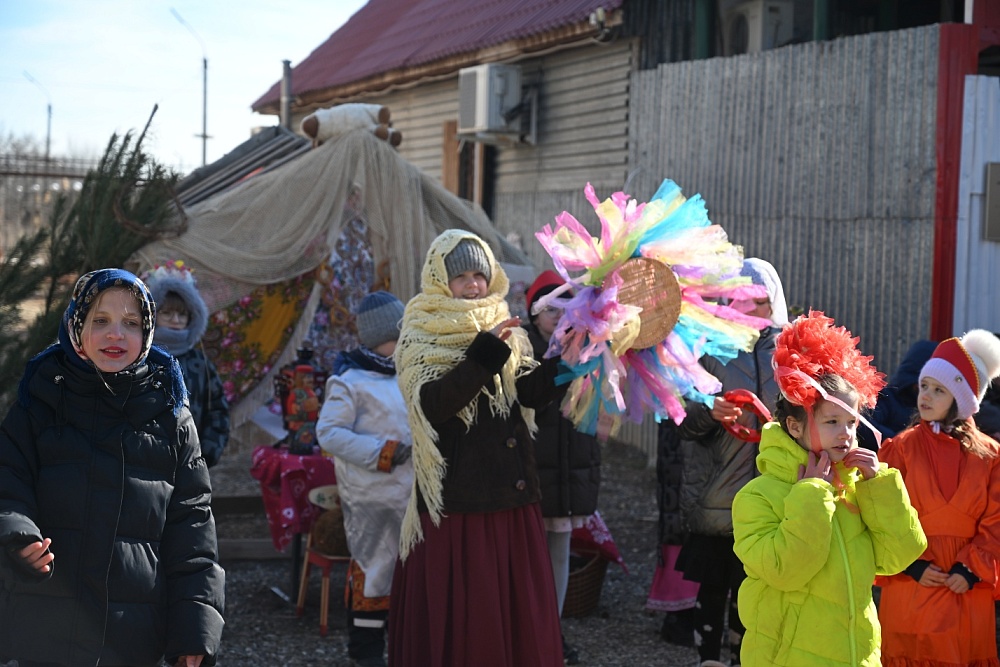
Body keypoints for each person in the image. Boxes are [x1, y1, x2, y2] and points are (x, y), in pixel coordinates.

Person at [0, 268, 225, 667]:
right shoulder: (39, 403)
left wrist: (194, 628)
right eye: (100, 320)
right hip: (48, 621)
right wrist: (18, 538)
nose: (115, 334)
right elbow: (7, 480)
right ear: (76, 326)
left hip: (133, 633)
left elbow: (192, 528)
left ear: (148, 331)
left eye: (131, 323)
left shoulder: (170, 417)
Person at [388, 230, 566, 667]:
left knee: (514, 620)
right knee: (467, 625)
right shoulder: (419, 332)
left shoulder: (504, 323)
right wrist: (484, 353)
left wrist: (571, 361)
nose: (472, 285)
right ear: (439, 280)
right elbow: (435, 407)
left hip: (510, 499)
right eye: (461, 276)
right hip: (457, 509)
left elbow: (527, 393)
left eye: (479, 275)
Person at [732, 311, 927, 667]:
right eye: (832, 421)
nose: (846, 434)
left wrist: (879, 487)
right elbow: (785, 571)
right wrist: (810, 495)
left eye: (852, 422)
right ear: (794, 426)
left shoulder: (854, 487)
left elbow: (897, 558)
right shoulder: (757, 496)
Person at [675, 257, 788, 665]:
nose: (749, 310)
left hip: (774, 496)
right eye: (739, 300)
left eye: (758, 301)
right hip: (719, 490)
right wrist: (710, 410)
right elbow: (682, 422)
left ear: (773, 301)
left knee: (754, 588)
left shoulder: (792, 354)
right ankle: (707, 657)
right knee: (713, 585)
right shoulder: (708, 350)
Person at [877, 329, 1000, 666]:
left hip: (965, 589)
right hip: (911, 585)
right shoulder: (899, 448)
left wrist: (971, 569)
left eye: (939, 390)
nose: (925, 396)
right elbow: (881, 511)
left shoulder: (990, 456)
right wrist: (910, 563)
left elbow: (997, 520)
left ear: (961, 400)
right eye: (924, 386)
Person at [315, 290, 413, 667]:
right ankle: (366, 655)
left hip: (410, 498)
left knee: (408, 580)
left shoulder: (409, 374)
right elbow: (330, 434)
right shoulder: (350, 381)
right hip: (372, 500)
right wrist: (383, 452)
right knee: (375, 574)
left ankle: (405, 650)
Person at [523, 270, 601, 666]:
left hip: (571, 471)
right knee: (525, 556)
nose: (558, 313)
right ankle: (527, 632)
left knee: (559, 553)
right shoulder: (523, 351)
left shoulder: (587, 347)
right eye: (549, 306)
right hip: (535, 472)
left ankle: (550, 632)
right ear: (534, 312)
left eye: (566, 305)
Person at [142, 261, 231, 467]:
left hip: (190, 464)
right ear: (153, 315)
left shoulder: (199, 362)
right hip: (142, 465)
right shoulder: (138, 358)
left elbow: (218, 410)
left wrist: (206, 454)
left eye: (182, 314)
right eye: (167, 313)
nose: (176, 319)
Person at [856, 339, 936, 450]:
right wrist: (900, 443)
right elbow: (863, 424)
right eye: (924, 384)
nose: (927, 392)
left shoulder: (936, 408)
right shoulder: (887, 397)